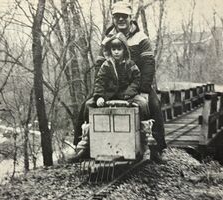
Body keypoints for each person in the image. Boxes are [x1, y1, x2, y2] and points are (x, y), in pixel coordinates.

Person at [72, 1, 167, 163]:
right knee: (86, 105)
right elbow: (100, 66)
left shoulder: (141, 38)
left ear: (130, 17)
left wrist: (143, 90)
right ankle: (82, 146)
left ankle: (157, 148)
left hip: (135, 84)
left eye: (124, 16)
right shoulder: (108, 39)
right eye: (117, 17)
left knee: (153, 105)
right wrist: (99, 93)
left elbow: (149, 64)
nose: (121, 20)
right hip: (110, 86)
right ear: (113, 19)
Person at [68, 32, 150, 162]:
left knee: (143, 103)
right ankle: (86, 139)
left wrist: (129, 93)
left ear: (124, 50)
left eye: (119, 49)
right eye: (114, 49)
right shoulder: (106, 65)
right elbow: (99, 82)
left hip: (127, 95)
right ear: (110, 50)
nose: (116, 52)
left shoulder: (130, 65)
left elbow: (136, 80)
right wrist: (100, 96)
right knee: (88, 105)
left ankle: (145, 138)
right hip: (109, 95)